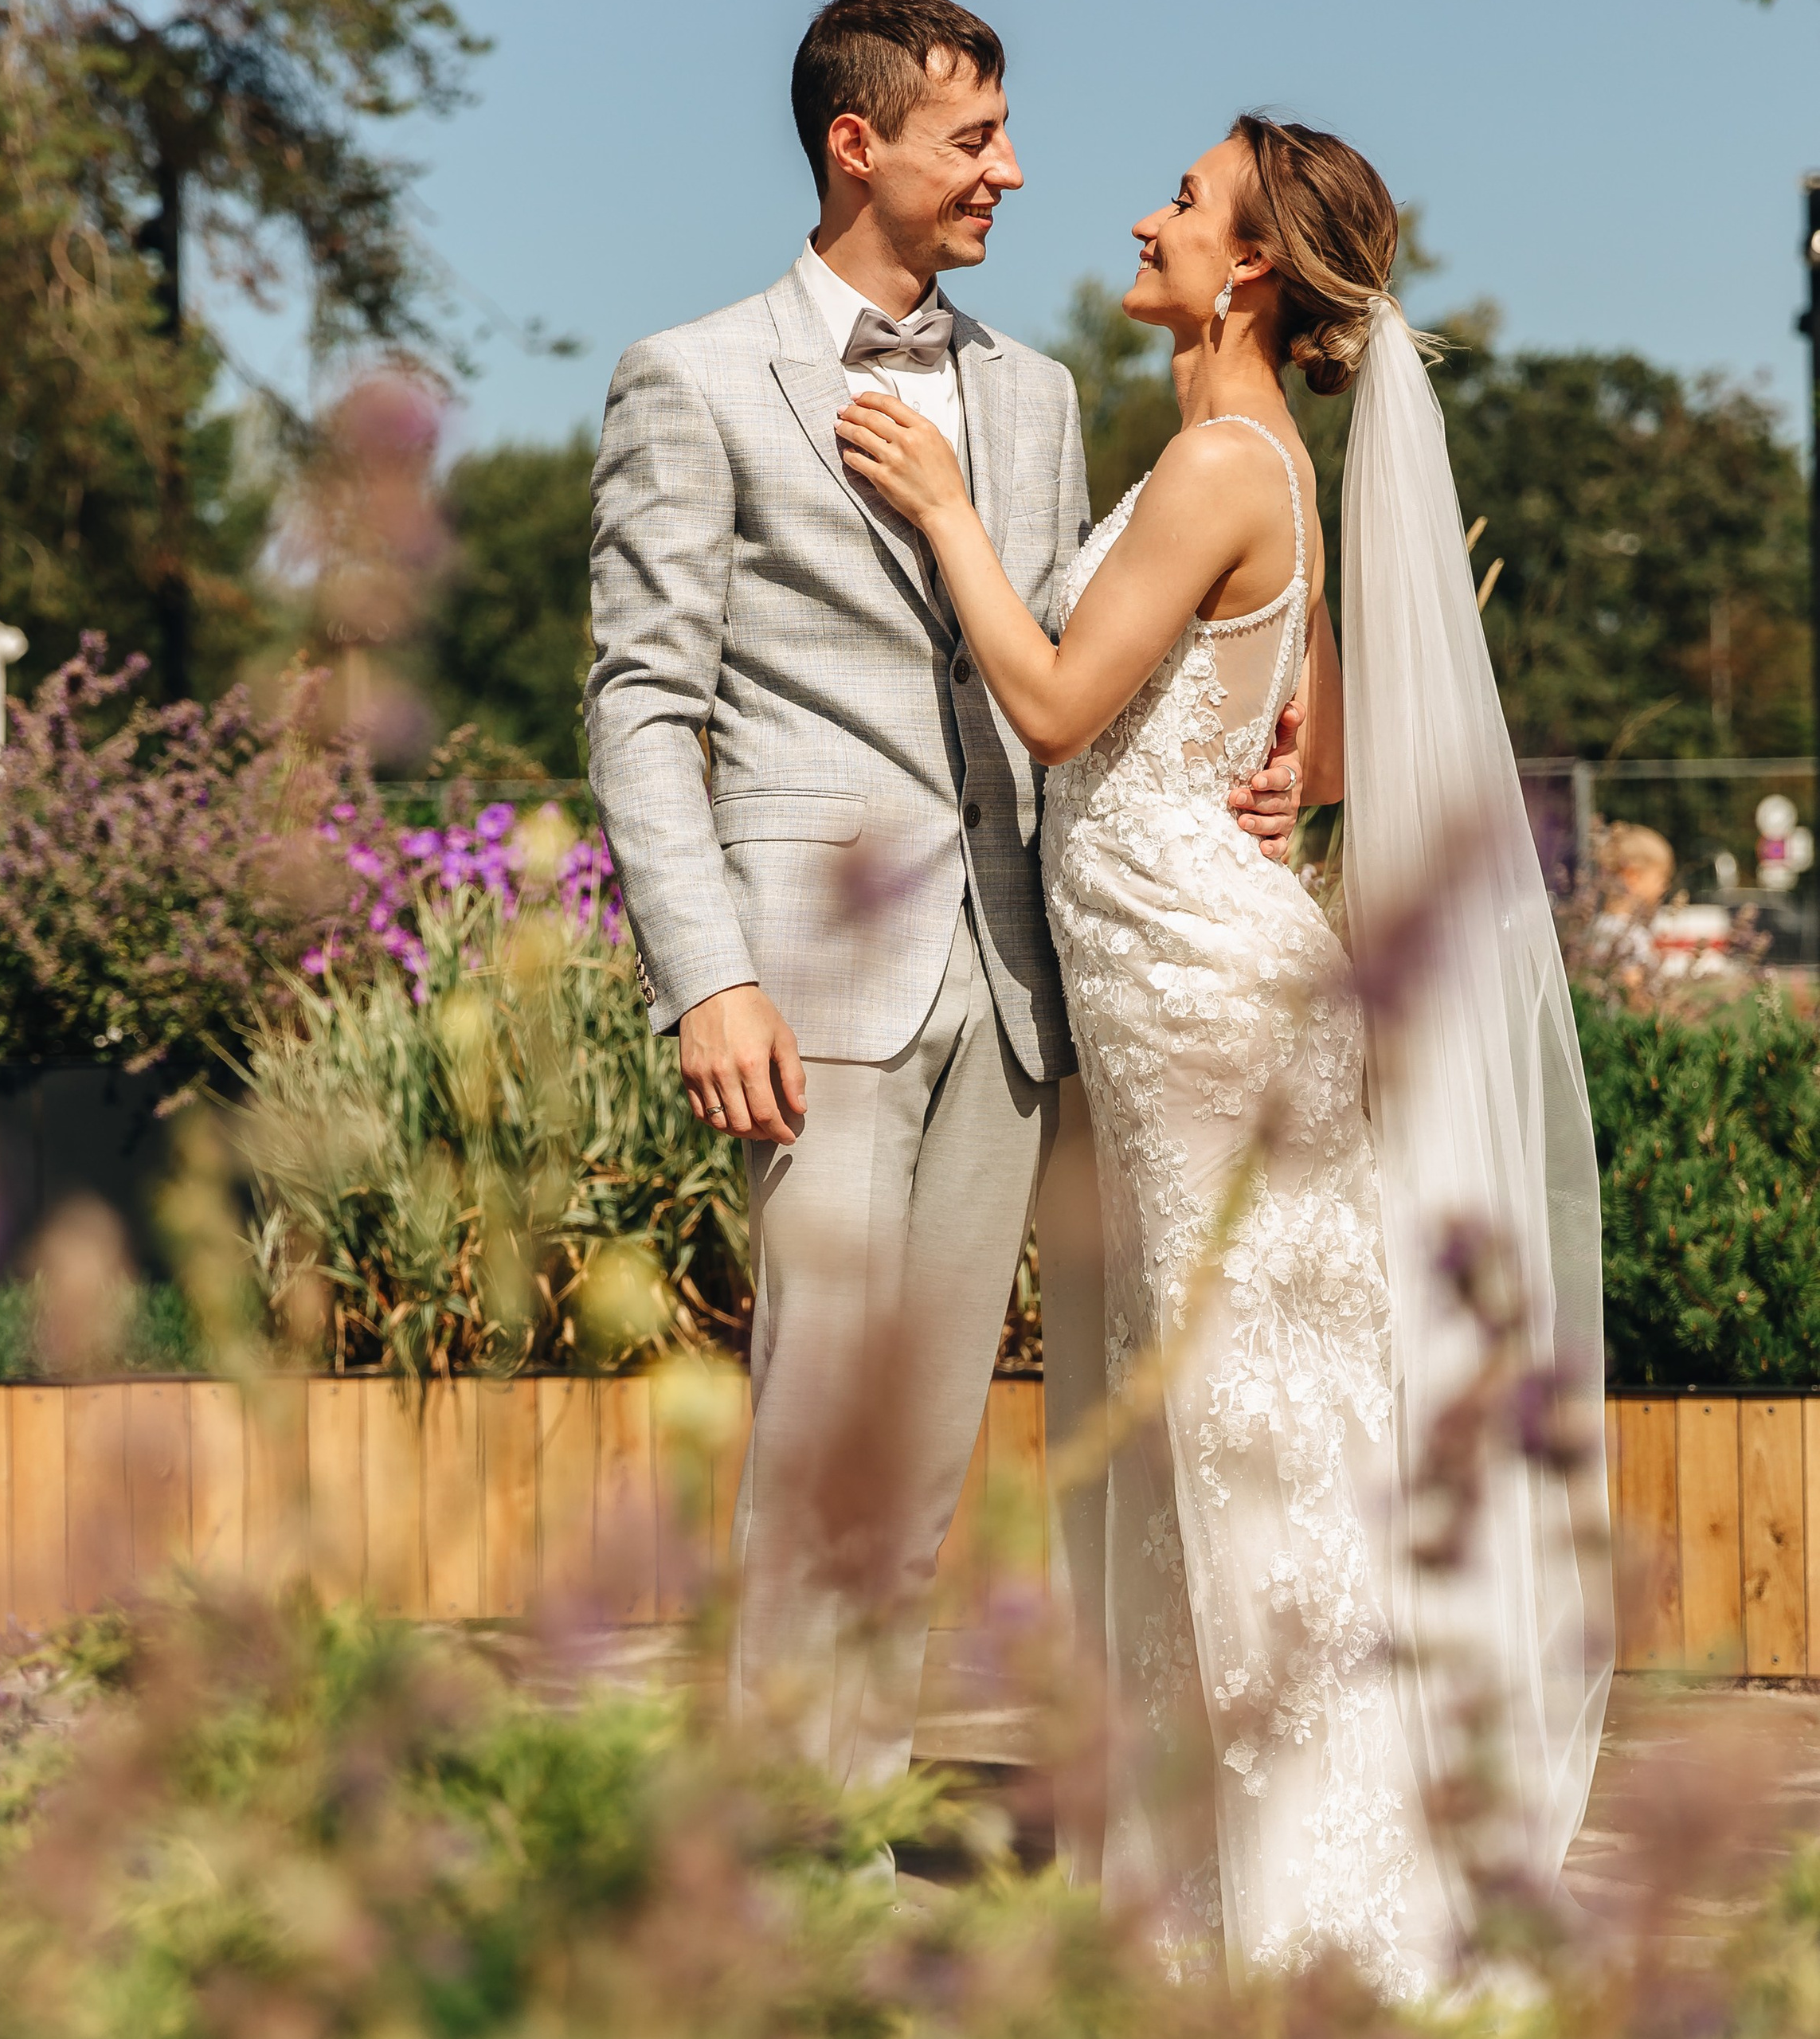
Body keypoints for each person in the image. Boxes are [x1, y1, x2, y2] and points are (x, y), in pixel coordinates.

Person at [839, 115, 1611, 1993]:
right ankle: (1224, 1854)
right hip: (1190, 982)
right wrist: (1264, 763)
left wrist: (941, 508)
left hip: (1197, 1009)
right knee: (1223, 1419)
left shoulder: (1211, 458)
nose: (1142, 215)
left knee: (1251, 1426)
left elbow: (1043, 702)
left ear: (1250, 265)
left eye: (1181, 202)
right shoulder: (1248, 461)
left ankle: (1328, 1881)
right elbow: (1323, 747)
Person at [584, 1, 1304, 1811]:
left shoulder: (1036, 394)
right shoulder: (693, 375)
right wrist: (707, 974)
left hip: (1008, 993)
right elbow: (640, 704)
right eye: (970, 138)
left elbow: (1078, 668)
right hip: (806, 1001)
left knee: (911, 1470)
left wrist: (1266, 768)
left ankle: (836, 1833)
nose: (1011, 169)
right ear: (857, 147)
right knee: (816, 1449)